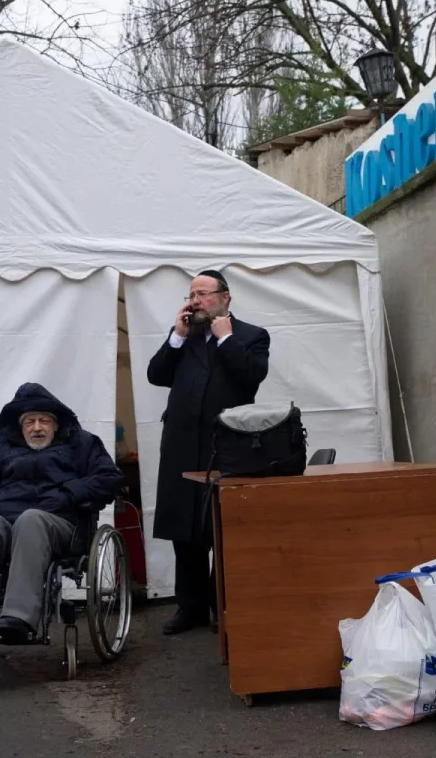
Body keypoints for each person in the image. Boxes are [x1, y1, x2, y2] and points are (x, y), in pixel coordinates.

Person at [148, 269, 271, 635]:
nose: (195, 300)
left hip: (227, 446)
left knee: (223, 527)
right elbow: (157, 375)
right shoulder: (184, 337)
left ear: (225, 297)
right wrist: (176, 338)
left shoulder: (251, 336)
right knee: (183, 528)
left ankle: (223, 606)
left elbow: (252, 377)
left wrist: (227, 340)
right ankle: (191, 607)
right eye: (191, 294)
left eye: (203, 293)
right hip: (182, 445)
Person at [0, 383, 123, 641]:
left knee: (31, 519)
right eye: (30, 421)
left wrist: (69, 494)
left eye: (44, 420)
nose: (37, 427)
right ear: (21, 427)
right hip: (10, 523)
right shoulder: (2, 447)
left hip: (62, 526)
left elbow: (109, 478)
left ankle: (18, 616)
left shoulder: (82, 443)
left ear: (56, 425)